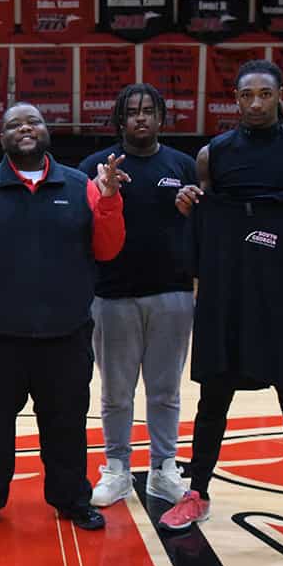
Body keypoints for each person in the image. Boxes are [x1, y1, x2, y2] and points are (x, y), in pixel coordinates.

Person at [164, 60, 283, 558]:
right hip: (225, 297)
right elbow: (199, 210)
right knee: (212, 401)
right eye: (246, 95)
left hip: (282, 299)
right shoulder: (213, 155)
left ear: (280, 95)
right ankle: (197, 492)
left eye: (265, 94)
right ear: (235, 99)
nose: (255, 104)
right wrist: (187, 205)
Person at [0, 102, 127, 534]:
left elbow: (108, 249)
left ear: (46, 132)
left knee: (67, 425)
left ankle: (72, 498)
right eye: (14, 124)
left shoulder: (81, 186)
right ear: (1, 139)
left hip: (65, 334)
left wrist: (111, 201)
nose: (24, 128)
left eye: (33, 121)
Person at [77, 84, 196, 507]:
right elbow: (80, 231)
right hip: (112, 295)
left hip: (173, 292)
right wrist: (99, 192)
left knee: (165, 390)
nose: (140, 118)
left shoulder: (183, 165)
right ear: (120, 120)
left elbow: (205, 230)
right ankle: (117, 468)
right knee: (115, 391)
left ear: (161, 117)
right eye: (132, 112)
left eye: (148, 110)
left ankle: (164, 468)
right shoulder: (95, 166)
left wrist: (190, 210)